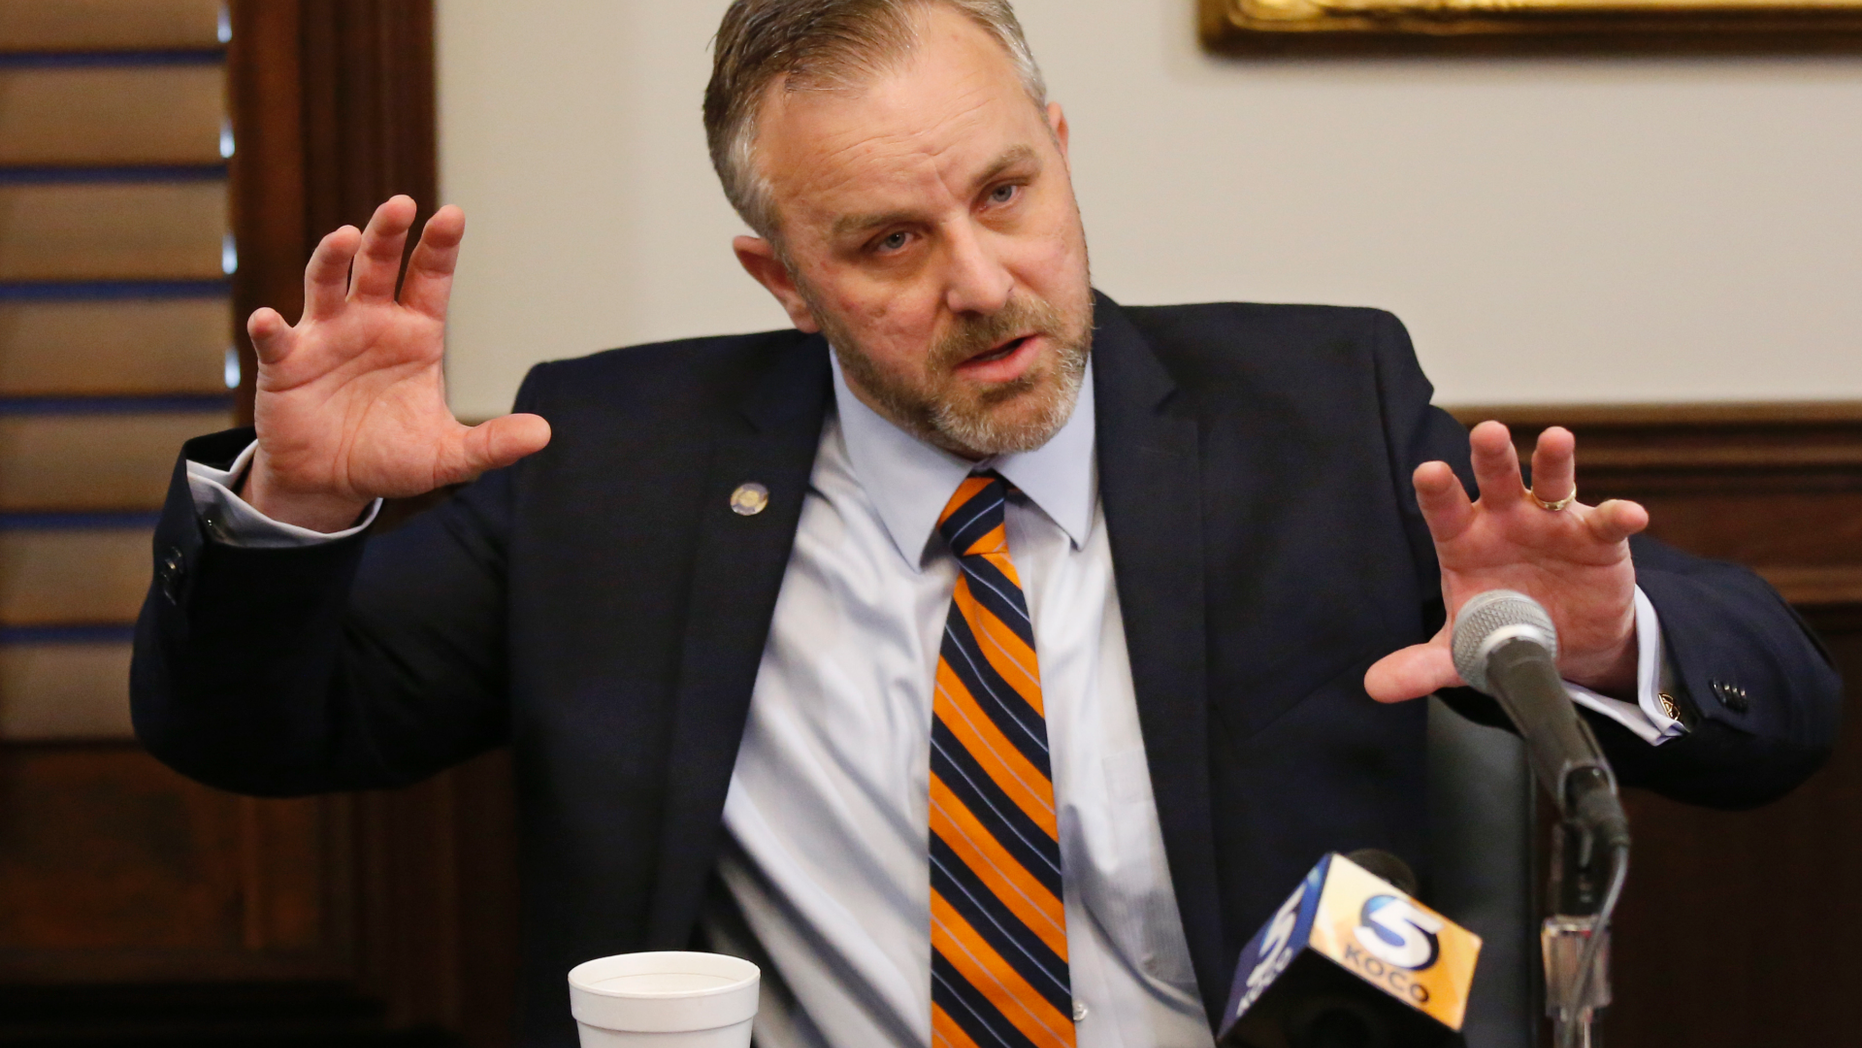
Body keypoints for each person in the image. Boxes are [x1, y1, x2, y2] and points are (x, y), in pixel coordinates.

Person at [131, 1, 1841, 1046]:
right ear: (778, 279)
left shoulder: (1315, 418)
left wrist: (1598, 639)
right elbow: (261, 733)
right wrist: (301, 505)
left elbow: (1777, 724)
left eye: (1008, 193)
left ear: (1062, 152)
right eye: (884, 242)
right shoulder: (614, 460)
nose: (981, 283)